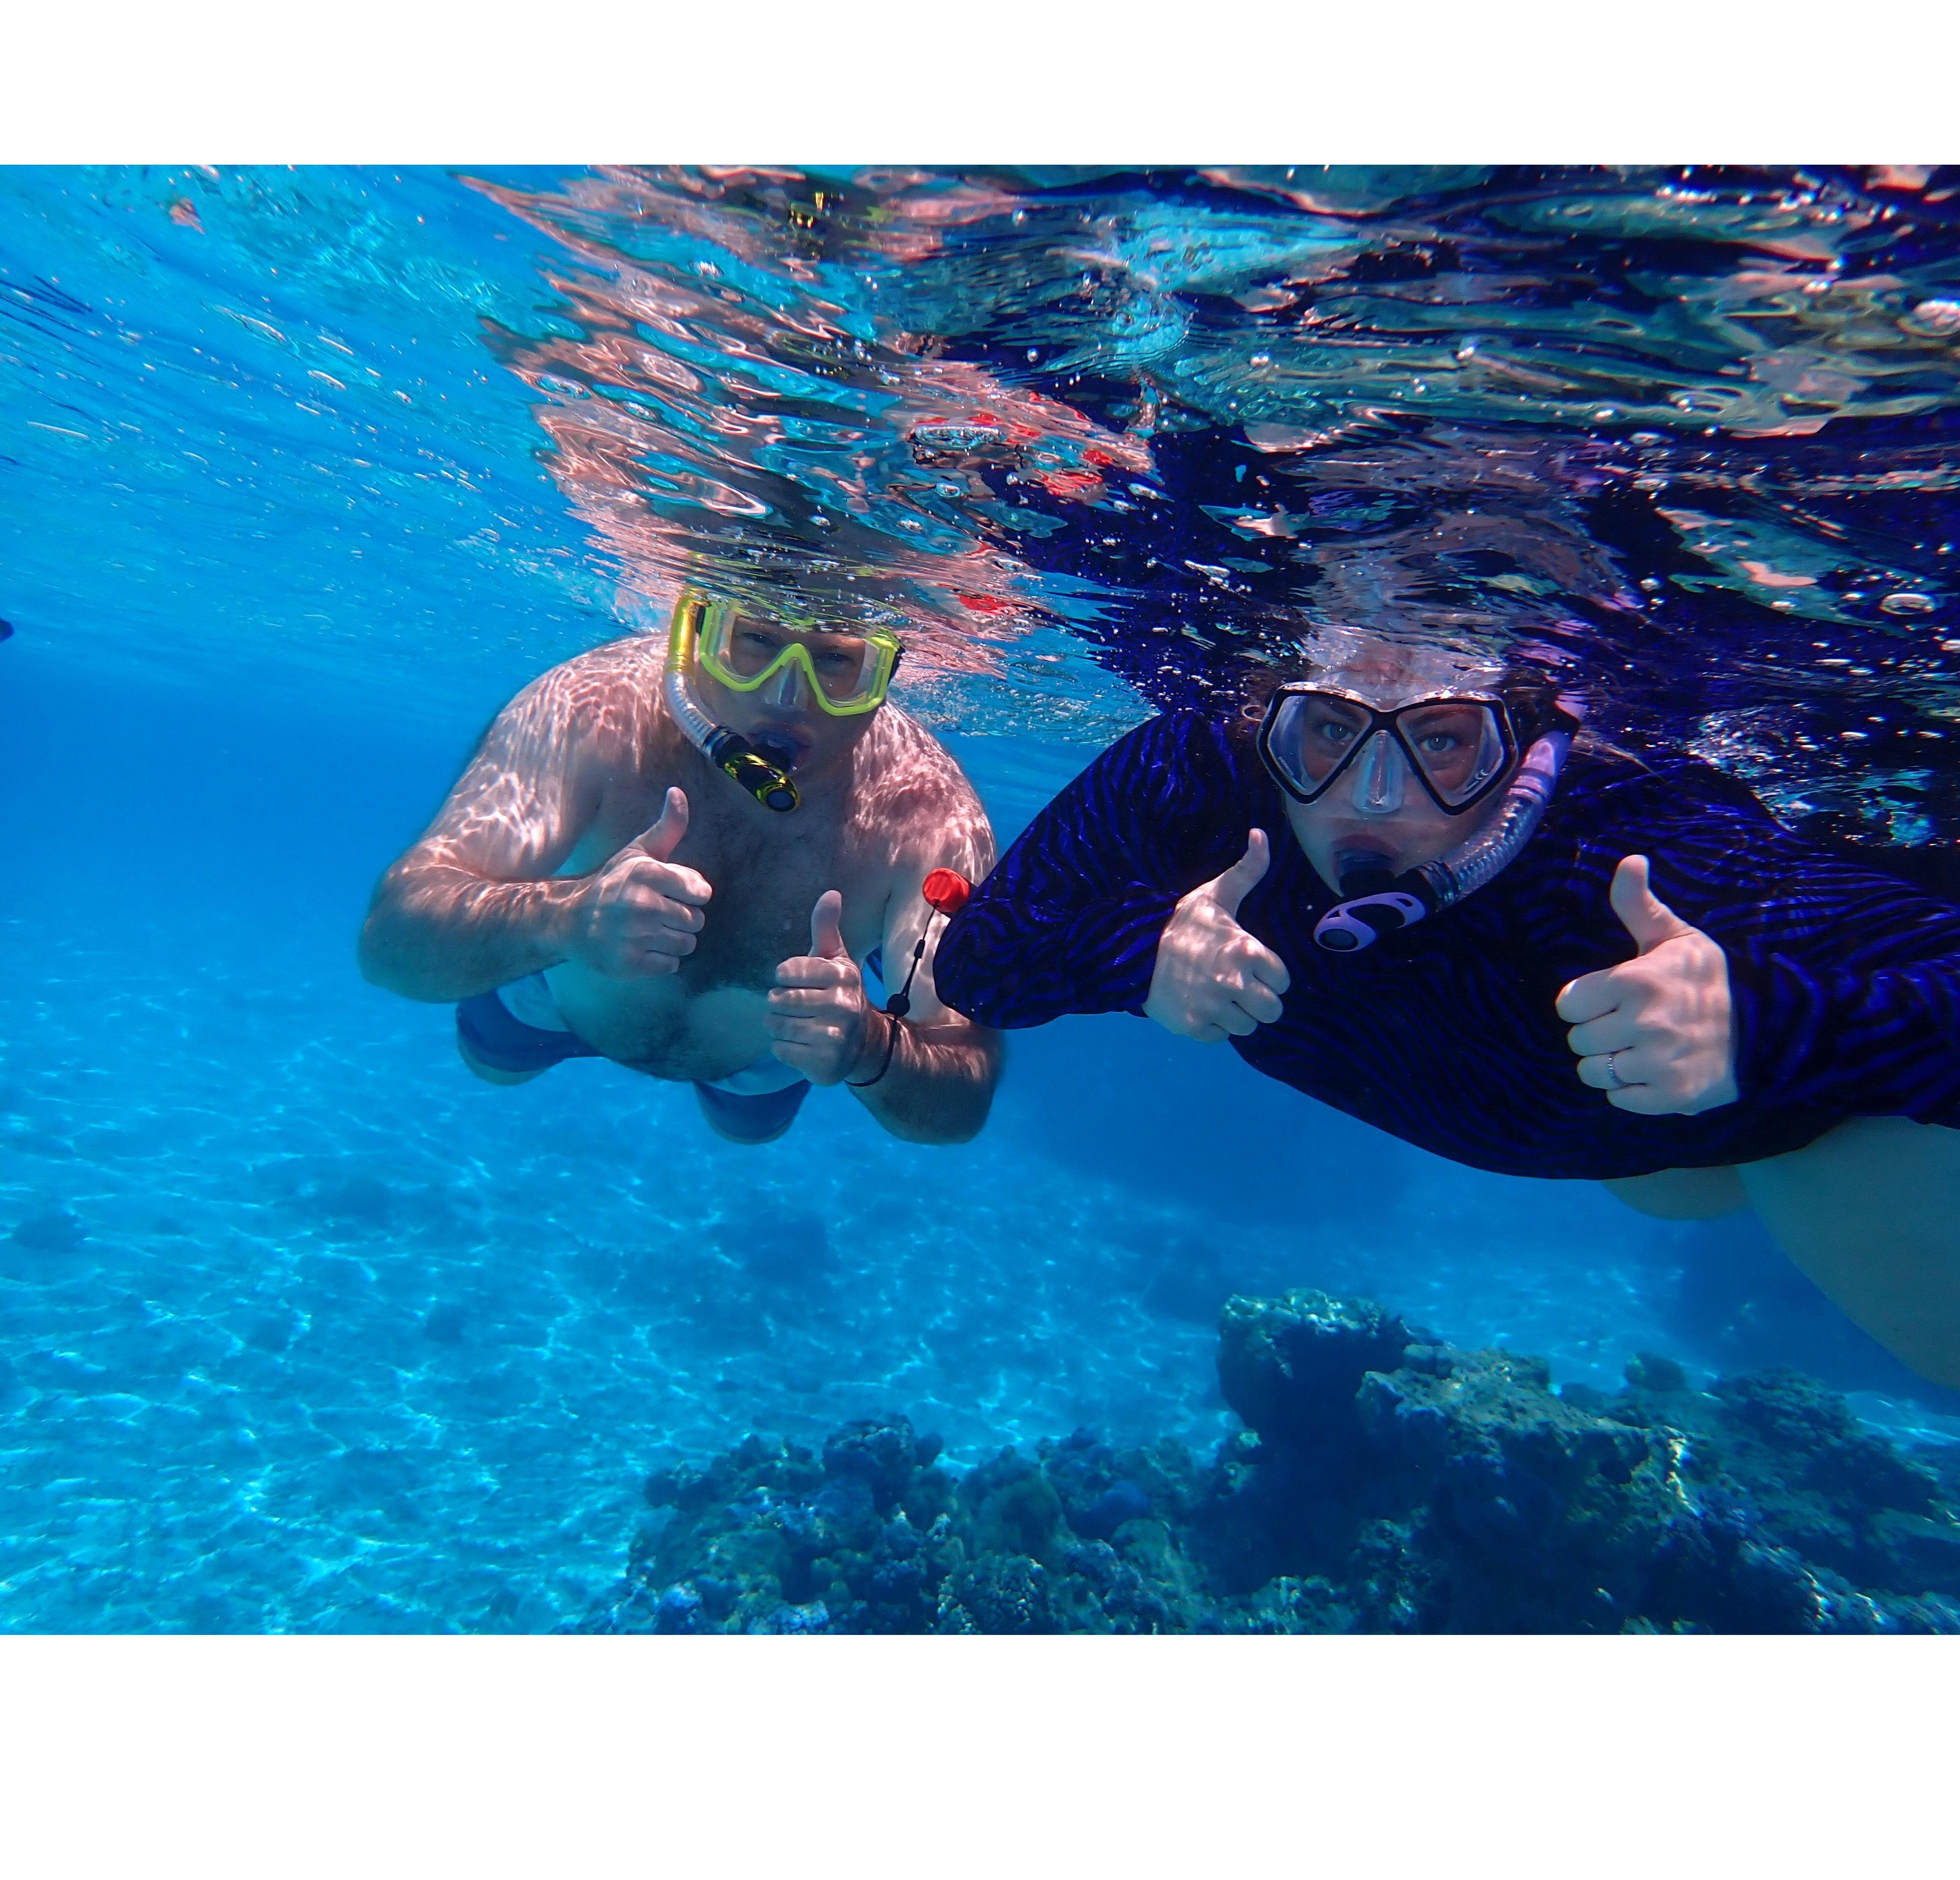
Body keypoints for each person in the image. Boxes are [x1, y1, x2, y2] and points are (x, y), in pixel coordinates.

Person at [933, 624, 1960, 1387]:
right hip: (1642, 1160)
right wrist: (1136, 955)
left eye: (1441, 741)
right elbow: (979, 964)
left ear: (1519, 743)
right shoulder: (1198, 777)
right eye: (1326, 730)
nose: (1373, 796)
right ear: (1262, 718)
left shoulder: (1625, 841)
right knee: (1666, 1185)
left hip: (1805, 1132)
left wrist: (1764, 1023)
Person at [359, 587, 1000, 1145]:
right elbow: (390, 942)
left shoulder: (927, 811)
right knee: (493, 1067)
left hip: (767, 1053)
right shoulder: (590, 708)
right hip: (551, 990)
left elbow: (962, 1100)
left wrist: (869, 1049)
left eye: (836, 660)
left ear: (885, 675)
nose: (787, 698)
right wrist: (563, 918)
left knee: (747, 1133)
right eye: (752, 640)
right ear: (696, 633)